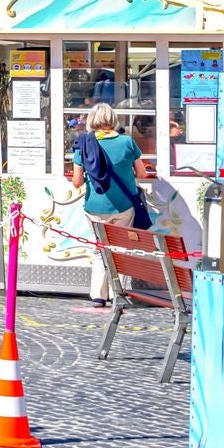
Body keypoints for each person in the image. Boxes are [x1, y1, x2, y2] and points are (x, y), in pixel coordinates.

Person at [70, 102, 146, 308]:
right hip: (123, 206)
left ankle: (98, 295)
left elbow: (76, 182)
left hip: (94, 207)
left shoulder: (83, 144)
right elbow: (142, 174)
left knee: (99, 249)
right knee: (119, 248)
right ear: (113, 119)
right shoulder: (128, 142)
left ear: (92, 120)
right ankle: (116, 293)